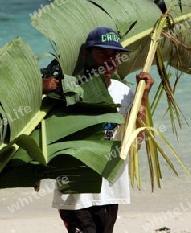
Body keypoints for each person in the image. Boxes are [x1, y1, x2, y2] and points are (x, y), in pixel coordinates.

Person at [49, 26, 154, 233]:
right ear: (87, 53)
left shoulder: (124, 92)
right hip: (77, 189)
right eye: (102, 54)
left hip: (110, 186)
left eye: (115, 55)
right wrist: (47, 85)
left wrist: (143, 95)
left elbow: (137, 140)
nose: (110, 61)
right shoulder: (70, 89)